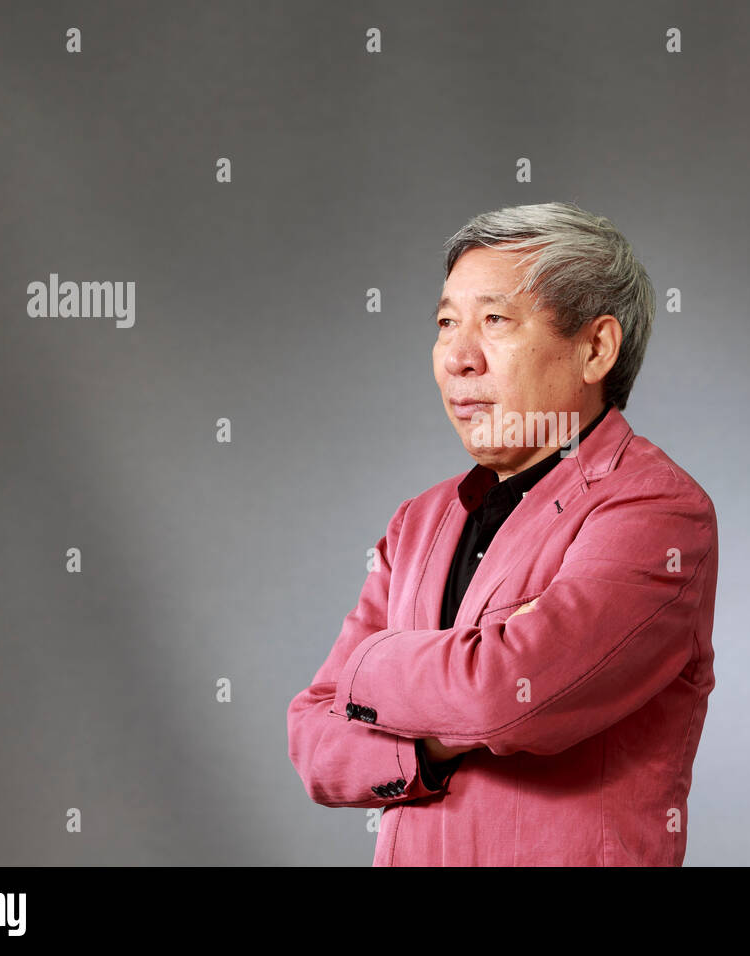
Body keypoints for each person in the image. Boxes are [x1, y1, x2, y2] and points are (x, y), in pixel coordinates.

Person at [286, 201, 718, 865]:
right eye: (445, 324)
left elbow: (505, 698)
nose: (459, 357)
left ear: (596, 348)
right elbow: (315, 744)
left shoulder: (655, 510)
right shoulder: (419, 521)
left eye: (494, 320)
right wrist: (433, 737)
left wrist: (371, 668)